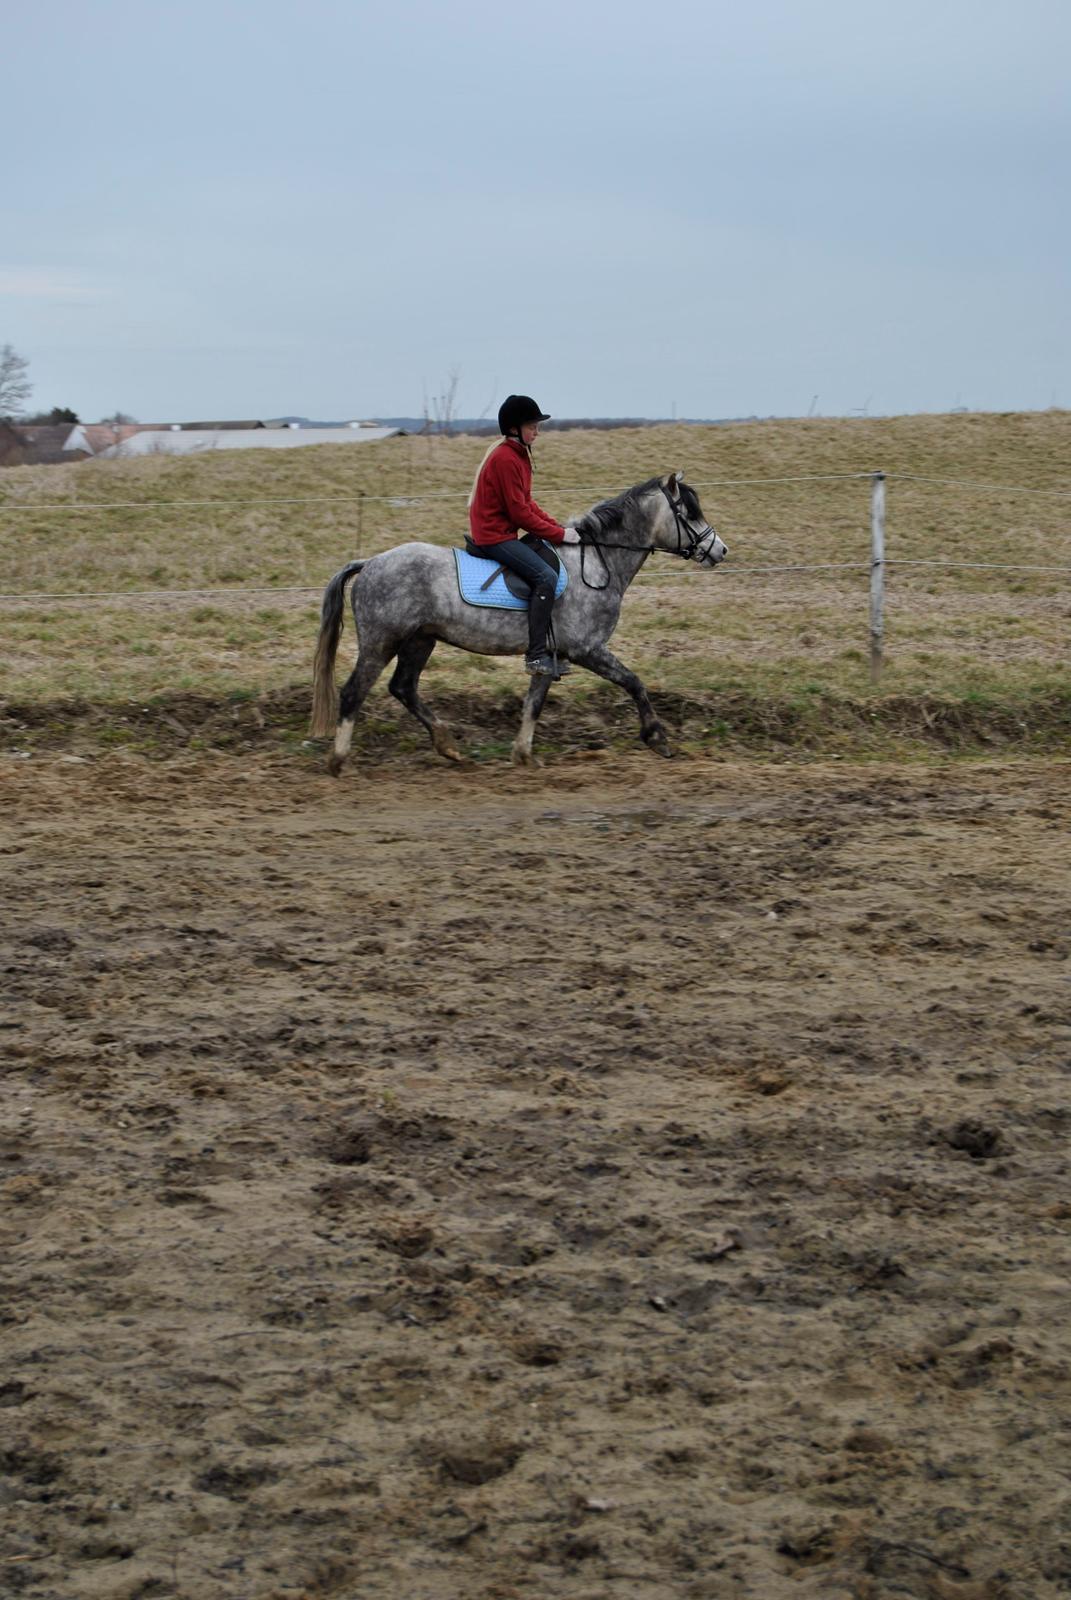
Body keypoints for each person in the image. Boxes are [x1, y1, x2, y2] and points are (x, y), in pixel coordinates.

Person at [467, 394, 581, 677]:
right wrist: (560, 534)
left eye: (537, 426)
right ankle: (535, 657)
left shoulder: (518, 455)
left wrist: (558, 529)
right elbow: (520, 514)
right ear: (514, 428)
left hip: (503, 532)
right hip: (494, 536)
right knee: (546, 577)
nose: (537, 432)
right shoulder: (506, 459)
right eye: (532, 426)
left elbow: (528, 504)